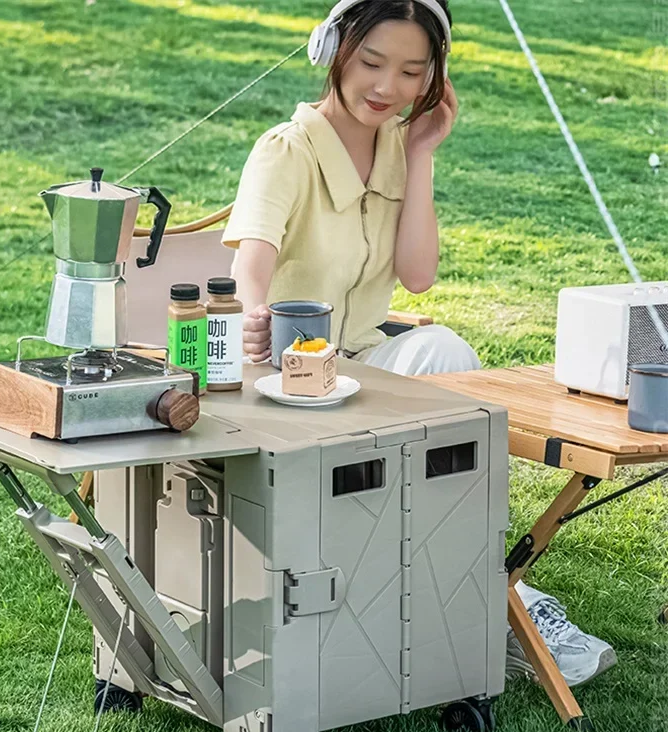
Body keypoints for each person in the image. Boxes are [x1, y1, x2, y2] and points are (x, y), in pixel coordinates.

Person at [221, 0, 616, 687]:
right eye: (373, 63)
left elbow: (418, 277)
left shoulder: (401, 148)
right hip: (284, 378)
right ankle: (504, 608)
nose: (388, 87)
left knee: (448, 358)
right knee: (432, 410)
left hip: (363, 363)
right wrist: (255, 312)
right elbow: (250, 261)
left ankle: (493, 595)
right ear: (332, 49)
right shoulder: (285, 149)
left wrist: (424, 152)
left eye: (412, 71)